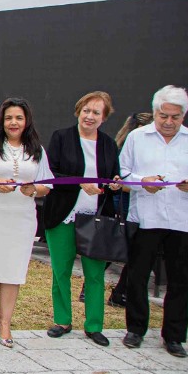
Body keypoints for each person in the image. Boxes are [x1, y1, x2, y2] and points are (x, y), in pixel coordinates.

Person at [120, 86, 188, 357]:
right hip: (146, 217)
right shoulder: (137, 138)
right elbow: (122, 172)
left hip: (183, 220)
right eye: (163, 115)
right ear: (154, 112)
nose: (168, 122)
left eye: (175, 117)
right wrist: (143, 182)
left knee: (180, 280)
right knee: (137, 276)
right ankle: (136, 329)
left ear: (183, 116)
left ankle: (174, 336)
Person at [0, 98, 52, 348]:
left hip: (22, 217)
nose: (13, 122)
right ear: (1, 121)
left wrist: (35, 189)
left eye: (18, 118)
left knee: (12, 271)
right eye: (8, 118)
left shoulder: (36, 149)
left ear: (26, 121)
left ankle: (5, 323)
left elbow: (47, 184)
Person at [43, 91, 121, 347]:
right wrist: (80, 184)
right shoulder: (61, 137)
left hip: (96, 218)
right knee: (61, 270)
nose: (89, 116)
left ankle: (94, 325)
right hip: (63, 213)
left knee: (95, 273)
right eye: (86, 110)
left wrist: (115, 184)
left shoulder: (109, 144)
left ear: (104, 118)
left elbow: (114, 176)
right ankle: (62, 320)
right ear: (78, 111)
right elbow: (52, 173)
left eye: (96, 112)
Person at [105, 112, 153, 308]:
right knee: (113, 249)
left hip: (134, 204)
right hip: (123, 204)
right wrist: (141, 183)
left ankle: (120, 292)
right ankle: (113, 291)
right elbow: (120, 181)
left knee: (130, 252)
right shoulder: (128, 146)